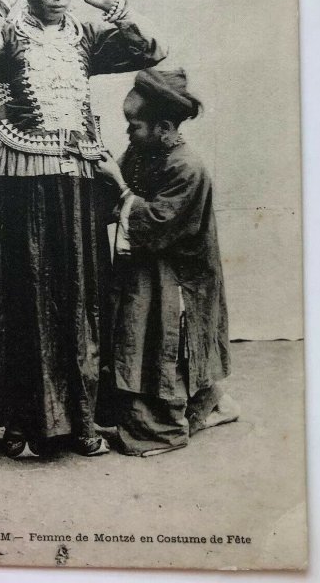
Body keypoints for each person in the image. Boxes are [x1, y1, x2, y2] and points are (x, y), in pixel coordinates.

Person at [0, 0, 165, 457]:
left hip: (76, 179)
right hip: (17, 181)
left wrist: (108, 2)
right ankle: (22, 424)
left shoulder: (87, 35)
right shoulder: (7, 34)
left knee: (80, 299)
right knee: (22, 300)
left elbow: (152, 50)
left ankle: (82, 422)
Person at [96, 68, 240, 457]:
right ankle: (210, 402)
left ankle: (166, 426)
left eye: (135, 125)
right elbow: (114, 189)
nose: (128, 133)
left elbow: (158, 222)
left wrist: (120, 185)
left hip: (179, 273)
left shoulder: (187, 167)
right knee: (138, 333)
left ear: (164, 127)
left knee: (163, 340)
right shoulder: (143, 152)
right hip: (147, 268)